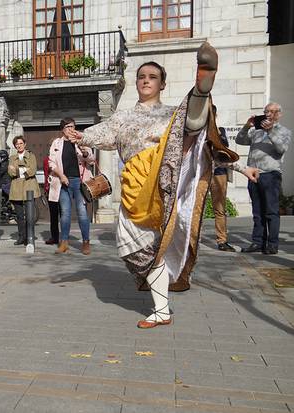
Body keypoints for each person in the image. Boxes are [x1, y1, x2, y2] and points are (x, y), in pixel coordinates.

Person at [67, 43, 257, 328]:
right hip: (135, 184)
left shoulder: (169, 113)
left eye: (152, 76)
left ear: (162, 84)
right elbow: (97, 134)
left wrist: (242, 167)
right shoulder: (123, 117)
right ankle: (162, 305)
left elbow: (204, 147)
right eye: (142, 76)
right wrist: (78, 136)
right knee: (132, 246)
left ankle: (201, 92)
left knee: (187, 126)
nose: (146, 80)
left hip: (166, 177)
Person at [237, 102, 291, 255]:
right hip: (254, 175)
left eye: (272, 112)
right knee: (257, 212)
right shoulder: (256, 131)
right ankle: (257, 242)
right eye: (266, 111)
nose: (268, 114)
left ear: (279, 114)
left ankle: (272, 244)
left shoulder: (284, 131)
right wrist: (247, 126)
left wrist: (271, 131)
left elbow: (281, 149)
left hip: (271, 175)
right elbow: (240, 141)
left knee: (271, 212)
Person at [48, 118, 95, 255]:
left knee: (82, 213)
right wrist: (61, 176)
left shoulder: (81, 140)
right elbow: (52, 163)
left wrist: (82, 147)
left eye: (72, 126)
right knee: (65, 214)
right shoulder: (56, 143)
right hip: (63, 182)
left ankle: (86, 242)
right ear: (62, 129)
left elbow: (91, 159)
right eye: (67, 126)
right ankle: (64, 243)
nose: (70, 129)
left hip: (79, 182)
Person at [208, 106, 235, 252]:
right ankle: (191, 238)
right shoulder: (198, 132)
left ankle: (222, 240)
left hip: (219, 173)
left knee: (219, 208)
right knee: (194, 208)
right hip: (202, 173)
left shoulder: (221, 131)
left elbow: (225, 151)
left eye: (211, 114)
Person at [7, 136, 42, 245]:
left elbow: (32, 170)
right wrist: (23, 170)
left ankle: (29, 237)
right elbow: (10, 172)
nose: (19, 145)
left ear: (25, 144)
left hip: (29, 187)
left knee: (30, 215)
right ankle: (21, 236)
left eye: (21, 143)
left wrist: (17, 170)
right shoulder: (12, 157)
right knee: (19, 215)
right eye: (17, 144)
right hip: (16, 188)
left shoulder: (31, 156)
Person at [42, 154, 60, 245]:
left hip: (63, 188)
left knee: (64, 214)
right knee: (53, 215)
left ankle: (64, 237)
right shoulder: (47, 160)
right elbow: (46, 175)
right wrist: (46, 188)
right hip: (51, 189)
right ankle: (54, 237)